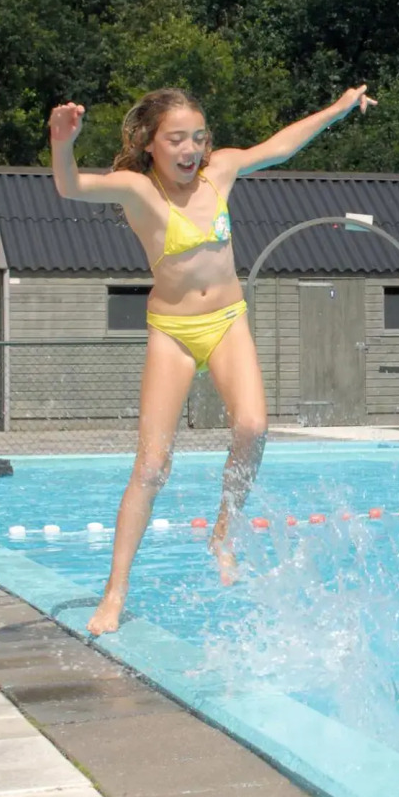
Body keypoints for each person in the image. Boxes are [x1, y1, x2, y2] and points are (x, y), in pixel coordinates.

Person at [48, 85, 376, 635]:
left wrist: (337, 109)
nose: (190, 149)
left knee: (253, 426)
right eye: (176, 139)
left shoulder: (218, 173)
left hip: (227, 322)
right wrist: (63, 143)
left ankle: (224, 532)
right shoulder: (139, 190)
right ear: (149, 143)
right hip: (173, 333)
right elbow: (71, 185)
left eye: (198, 138)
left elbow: (280, 147)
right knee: (152, 466)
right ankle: (114, 591)